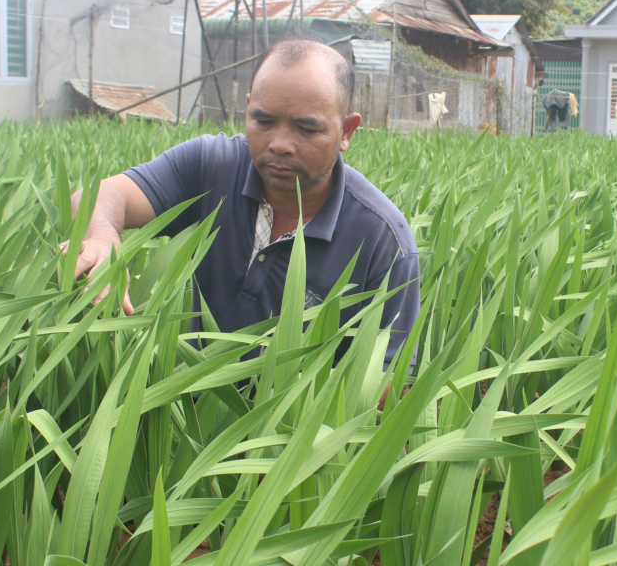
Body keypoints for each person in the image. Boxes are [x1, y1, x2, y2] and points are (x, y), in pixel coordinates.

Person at [69, 38, 421, 371]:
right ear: (249, 107)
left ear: (347, 131)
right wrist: (101, 238)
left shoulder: (382, 239)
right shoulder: (211, 165)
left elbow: (386, 386)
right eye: (263, 121)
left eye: (306, 129)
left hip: (290, 429)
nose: (280, 144)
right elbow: (94, 197)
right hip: (175, 413)